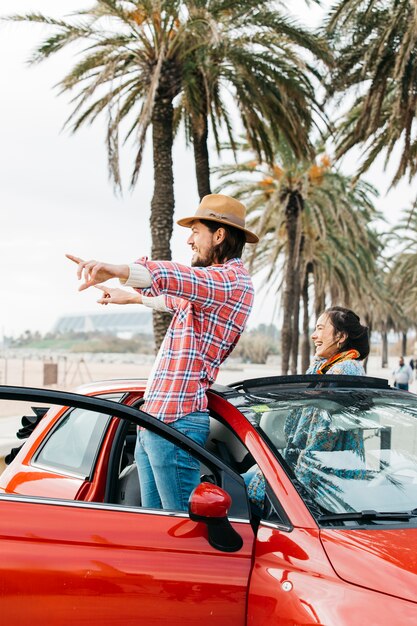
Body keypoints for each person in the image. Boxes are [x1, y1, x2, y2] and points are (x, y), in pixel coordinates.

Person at [67, 193, 258, 511]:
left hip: (177, 422)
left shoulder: (231, 281)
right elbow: (171, 297)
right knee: (157, 528)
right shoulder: (209, 289)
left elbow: (177, 278)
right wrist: (128, 296)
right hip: (158, 422)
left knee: (181, 532)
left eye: (196, 231)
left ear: (219, 234)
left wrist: (118, 269)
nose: (189, 240)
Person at [246, 306, 370, 516]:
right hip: (323, 474)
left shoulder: (342, 370)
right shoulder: (332, 368)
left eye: (321, 329)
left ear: (340, 336)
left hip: (321, 480)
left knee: (237, 489)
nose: (314, 335)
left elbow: (323, 433)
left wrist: (296, 484)